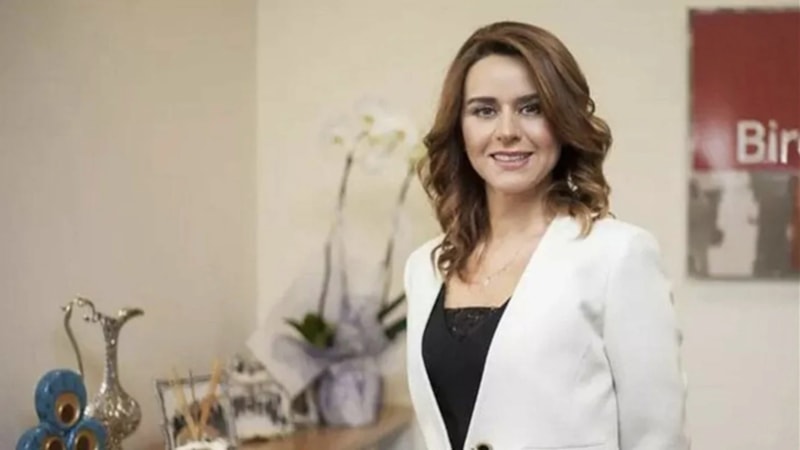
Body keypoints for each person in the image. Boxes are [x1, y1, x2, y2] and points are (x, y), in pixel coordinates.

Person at [403, 21, 690, 450]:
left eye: (531, 108)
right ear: (459, 129)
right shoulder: (424, 268)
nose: (507, 131)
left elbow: (656, 437)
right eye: (484, 110)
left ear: (563, 122)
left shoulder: (617, 255)